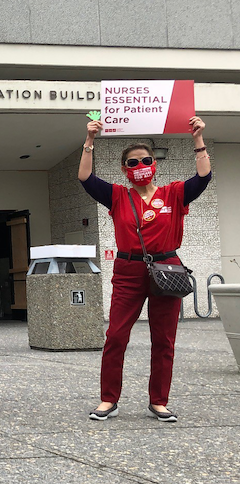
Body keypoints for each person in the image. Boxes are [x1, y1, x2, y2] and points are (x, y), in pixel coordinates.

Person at [79, 117, 211, 422]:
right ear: (125, 169)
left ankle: (159, 401)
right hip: (128, 271)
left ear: (155, 164)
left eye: (146, 159)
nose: (141, 164)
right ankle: (108, 399)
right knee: (115, 336)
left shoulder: (174, 193)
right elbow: (85, 178)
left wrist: (198, 139)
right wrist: (90, 141)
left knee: (163, 339)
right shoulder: (117, 196)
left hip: (167, 270)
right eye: (133, 162)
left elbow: (203, 177)